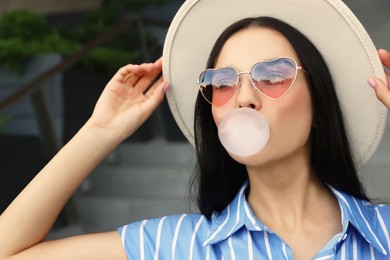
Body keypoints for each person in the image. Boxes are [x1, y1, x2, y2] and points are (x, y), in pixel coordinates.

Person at [0, 0, 390, 259]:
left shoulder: (383, 234)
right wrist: (100, 130)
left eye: (272, 75)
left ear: (320, 104)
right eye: (222, 82)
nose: (243, 98)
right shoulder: (174, 246)